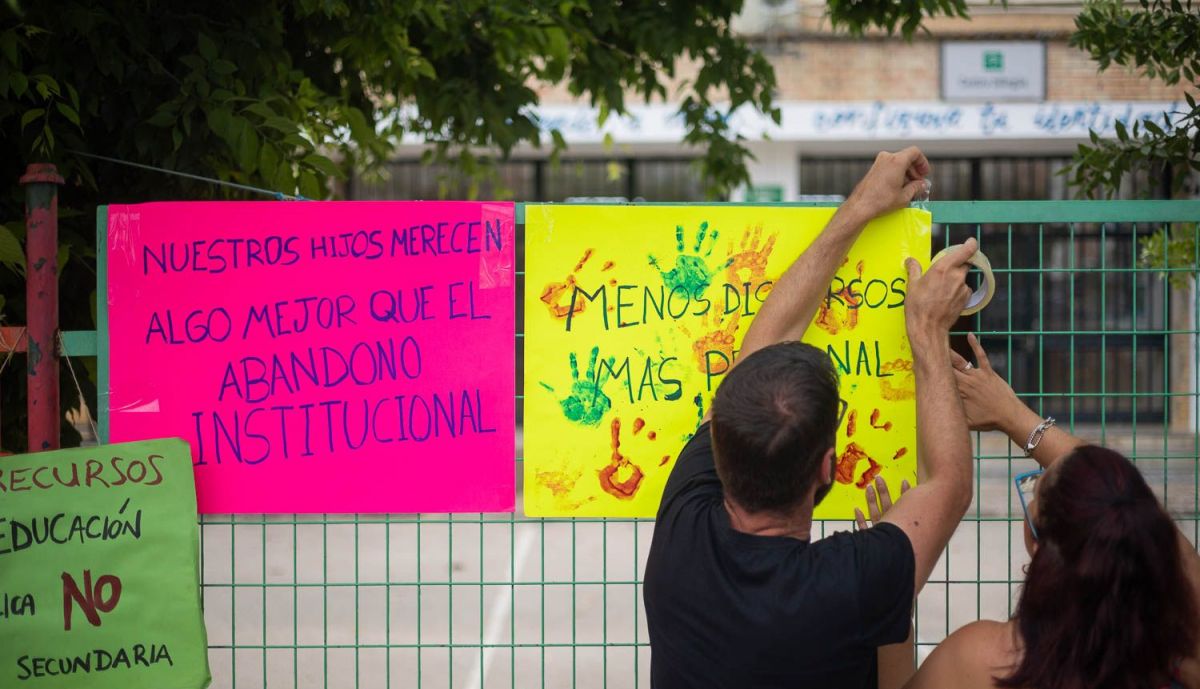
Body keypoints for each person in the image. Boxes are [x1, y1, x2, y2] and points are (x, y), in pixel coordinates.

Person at [643, 147, 979, 689]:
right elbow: (950, 484)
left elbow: (761, 354)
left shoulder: (682, 537)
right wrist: (928, 329)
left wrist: (861, 206)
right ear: (827, 468)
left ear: (720, 449)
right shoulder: (854, 583)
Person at [867, 333, 1200, 689]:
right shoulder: (1181, 653)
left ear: (1037, 544)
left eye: (1035, 493)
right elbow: (1136, 509)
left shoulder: (983, 662)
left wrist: (892, 582)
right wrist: (1013, 416)